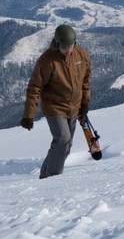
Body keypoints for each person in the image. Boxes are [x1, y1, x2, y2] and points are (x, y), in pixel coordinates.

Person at [20, 24, 91, 179]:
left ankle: (44, 176)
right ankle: (52, 178)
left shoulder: (80, 54)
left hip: (74, 107)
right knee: (63, 140)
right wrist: (28, 115)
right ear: (57, 44)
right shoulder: (47, 61)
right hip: (54, 107)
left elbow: (85, 79)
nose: (68, 50)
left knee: (64, 145)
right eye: (64, 47)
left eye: (71, 46)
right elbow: (34, 88)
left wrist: (85, 102)